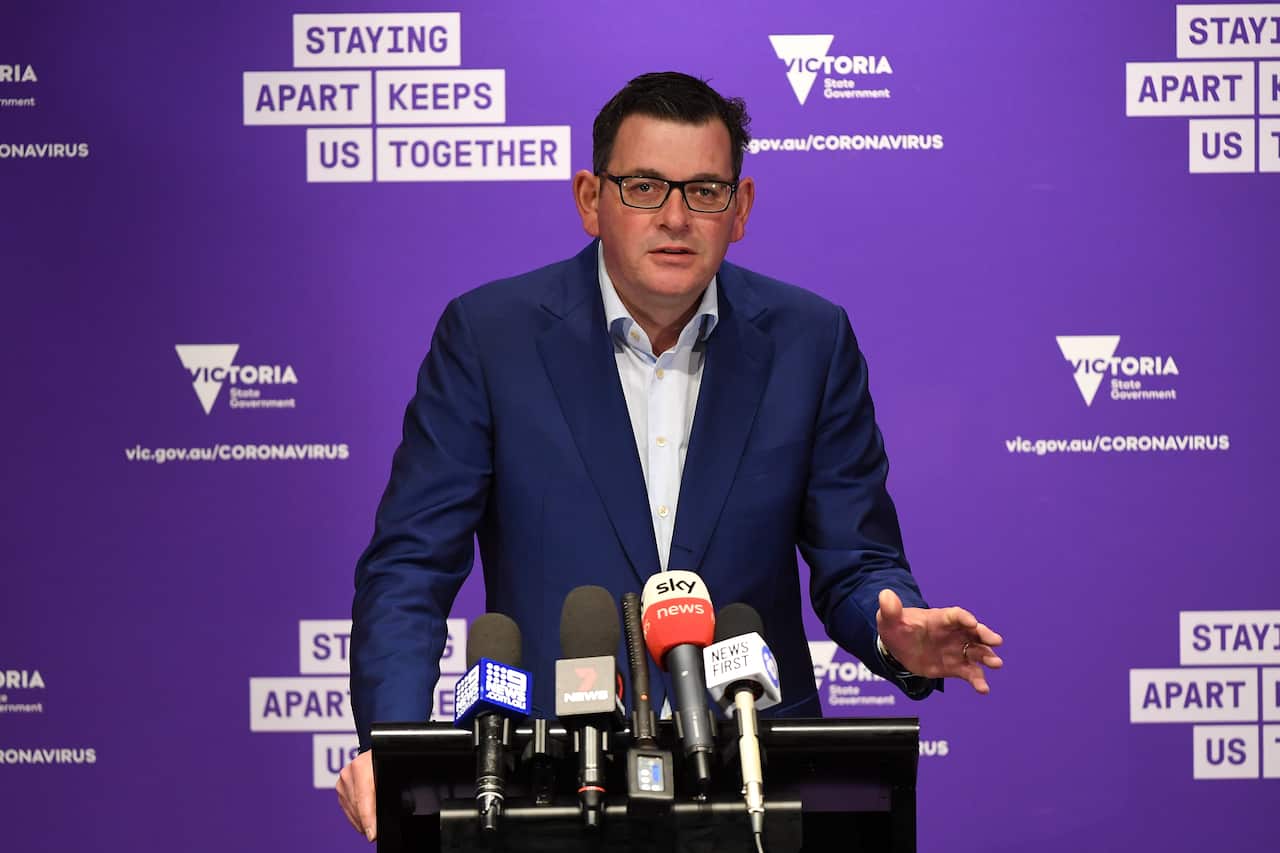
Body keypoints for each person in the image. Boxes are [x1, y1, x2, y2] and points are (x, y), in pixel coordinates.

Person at [336, 71, 1003, 841]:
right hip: (550, 775)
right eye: (645, 187)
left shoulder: (810, 343)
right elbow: (410, 568)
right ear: (592, 198)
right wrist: (395, 744)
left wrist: (896, 634)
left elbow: (857, 560)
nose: (676, 218)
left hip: (753, 776)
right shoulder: (491, 339)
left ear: (741, 208)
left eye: (705, 191)